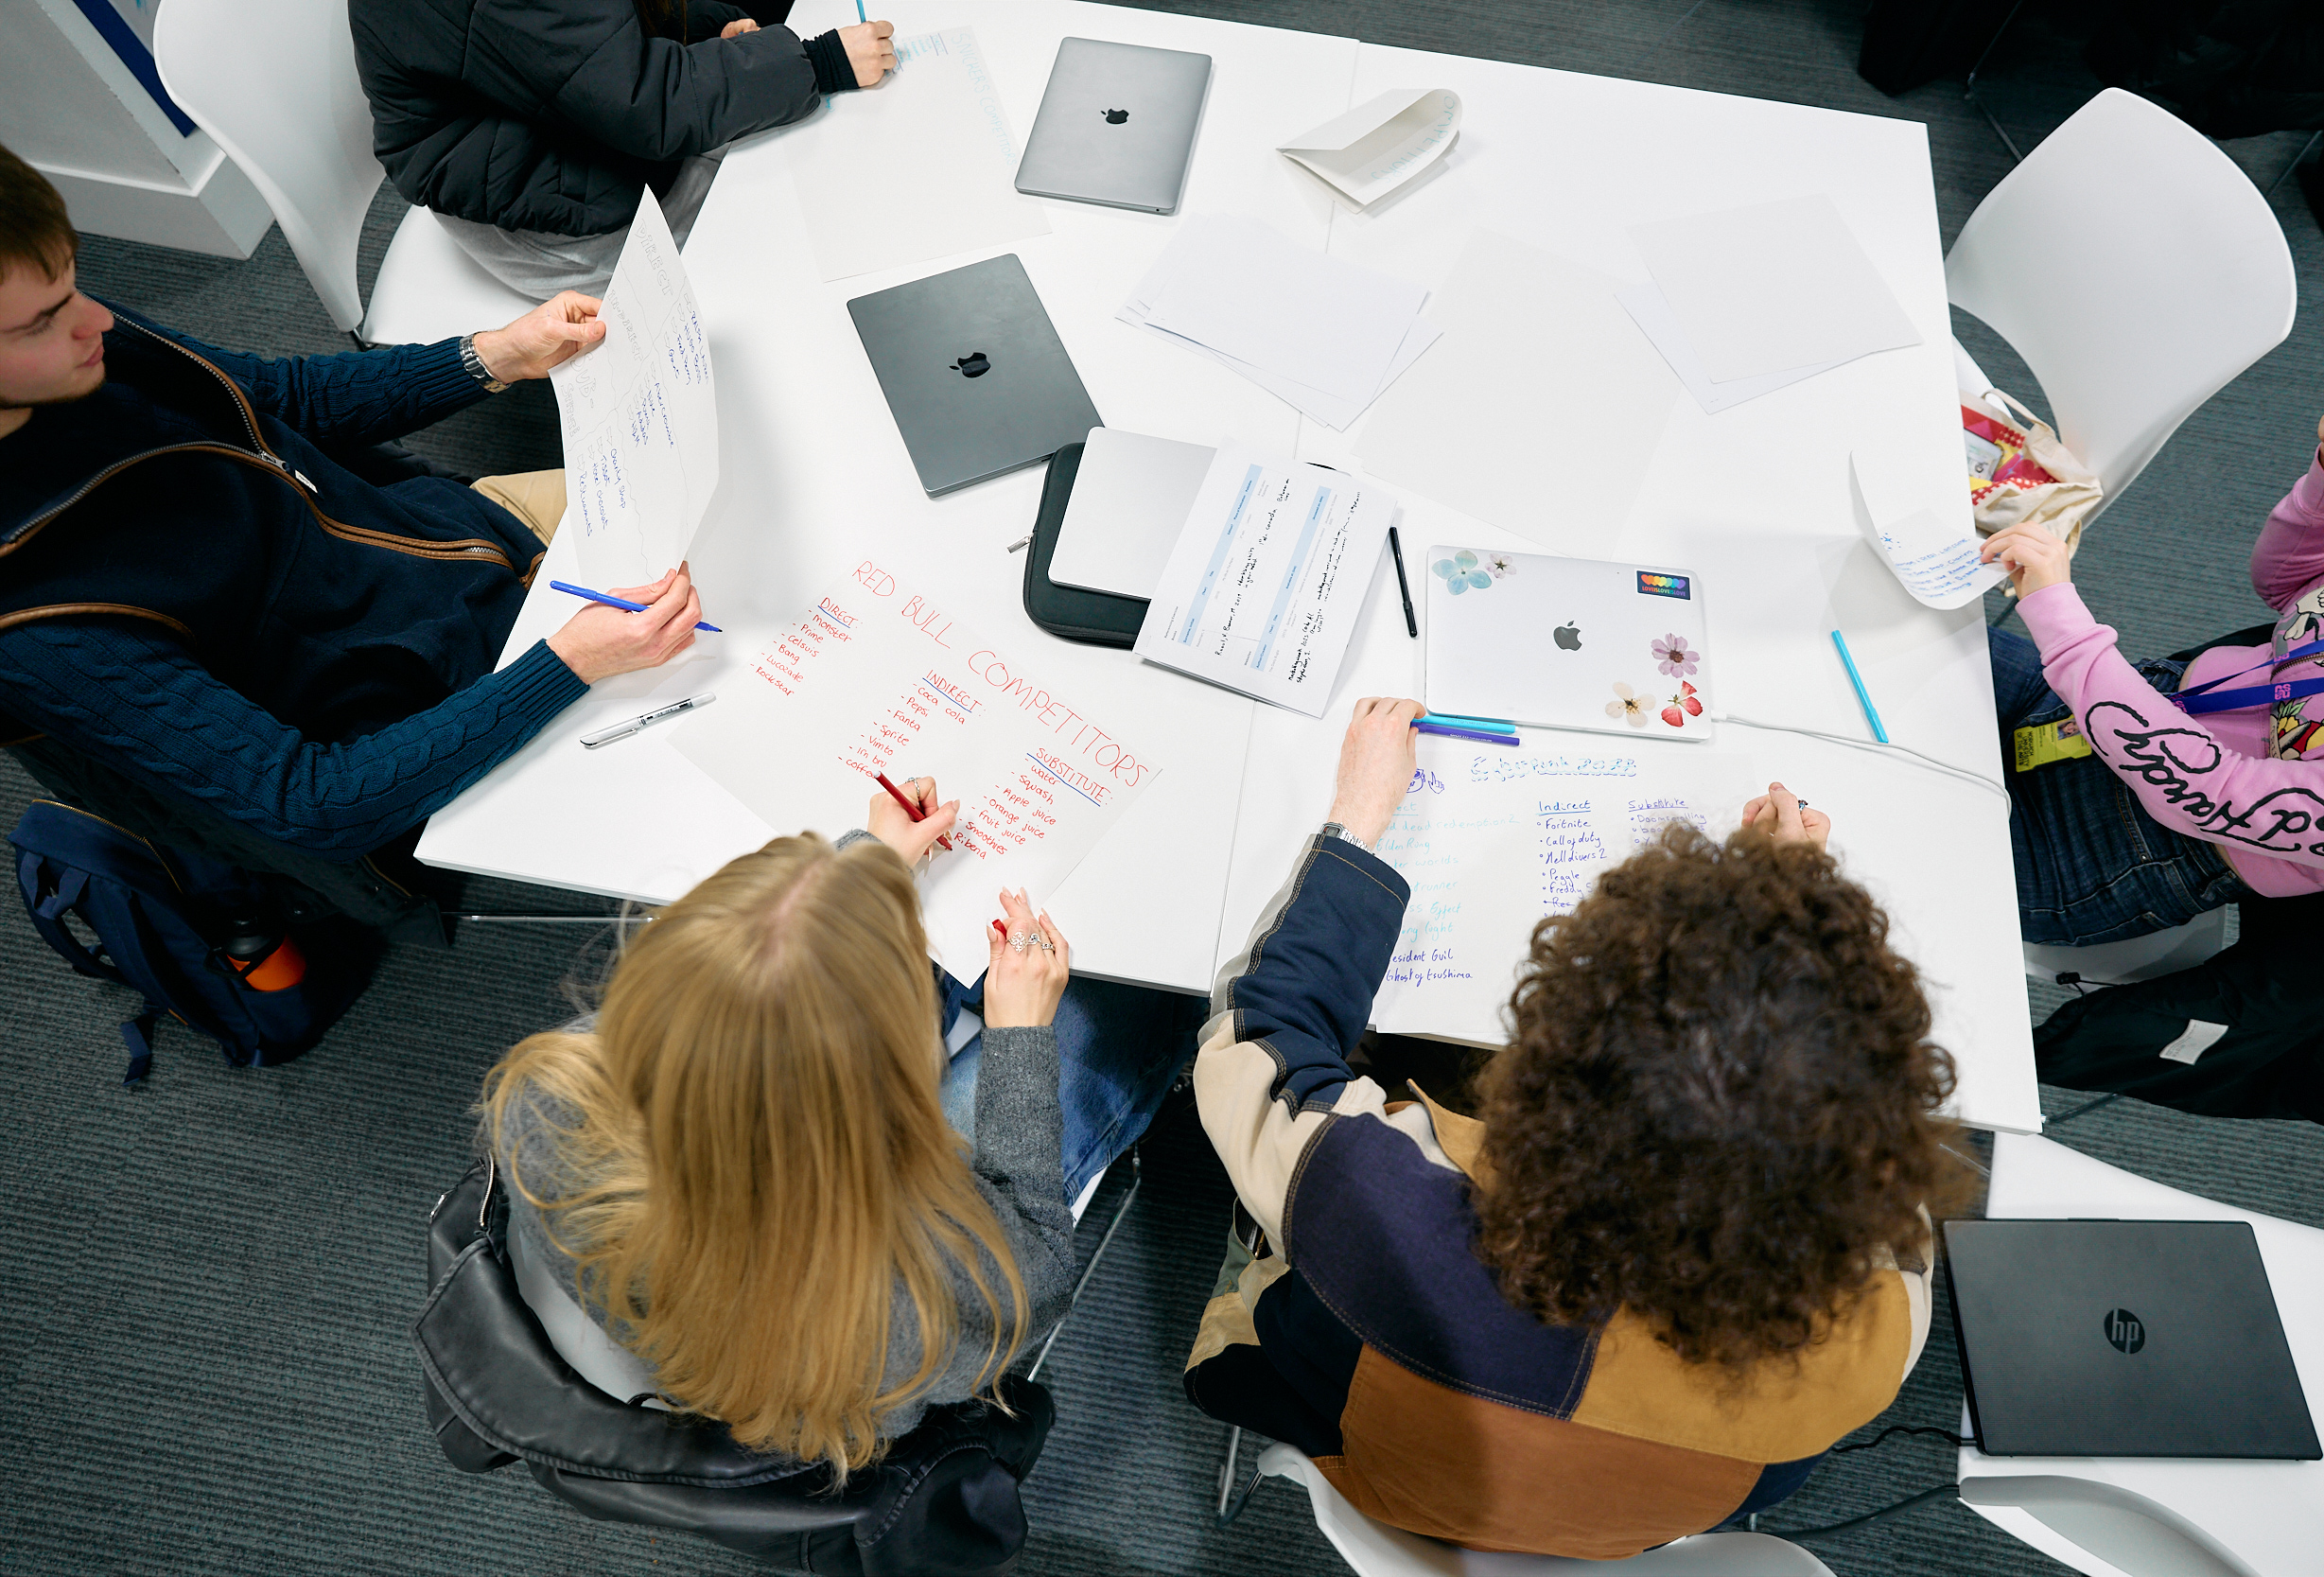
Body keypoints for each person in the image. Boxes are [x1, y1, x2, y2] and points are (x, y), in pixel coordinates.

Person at [1184, 699, 1962, 1558]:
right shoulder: (1889, 1323)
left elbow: (1257, 1039)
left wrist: (1358, 818)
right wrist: (1788, 922)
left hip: (1376, 1463)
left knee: (1376, 1062)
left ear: (1559, 1086)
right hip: (1610, 1531)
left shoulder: (1388, 1213)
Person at [0, 145, 700, 875]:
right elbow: (311, 800)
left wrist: (494, 355)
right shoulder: (31, 633)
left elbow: (276, 399)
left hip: (455, 537)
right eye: (42, 322)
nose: (98, 323)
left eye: (76, 281)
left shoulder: (76, 337)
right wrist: (571, 662)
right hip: (459, 706)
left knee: (761, 495)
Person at [481, 787, 1197, 1471]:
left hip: (705, 1316)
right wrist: (1019, 1045)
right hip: (836, 1364)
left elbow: (763, 995)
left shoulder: (543, 1099)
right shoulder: (907, 1304)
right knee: (1124, 1000)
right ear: (876, 1109)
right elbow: (1034, 1273)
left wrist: (861, 872)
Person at [1980, 405, 2324, 946]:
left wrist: (2058, 617)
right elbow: (2292, 590)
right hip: (2122, 697)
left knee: (1846, 823)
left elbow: (2209, 789)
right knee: (1855, 653)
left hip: (2120, 846)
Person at [352, 0, 900, 295]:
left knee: (804, 153)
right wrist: (817, 63)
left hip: (566, 113)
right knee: (788, 237)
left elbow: (601, 42)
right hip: (546, 207)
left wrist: (707, 43)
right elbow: (645, 103)